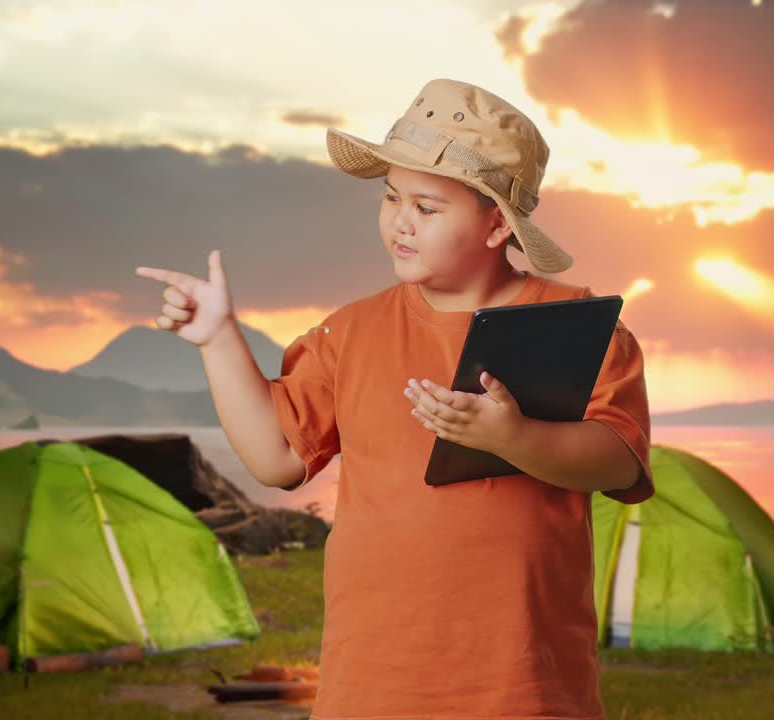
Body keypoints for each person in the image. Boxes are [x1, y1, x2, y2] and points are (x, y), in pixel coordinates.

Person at [135, 78, 654, 720]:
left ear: (497, 224)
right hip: (374, 682)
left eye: (428, 208)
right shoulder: (349, 333)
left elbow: (620, 460)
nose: (400, 221)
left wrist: (515, 438)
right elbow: (276, 457)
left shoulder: (578, 324)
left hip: (523, 684)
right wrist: (216, 339)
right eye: (390, 198)